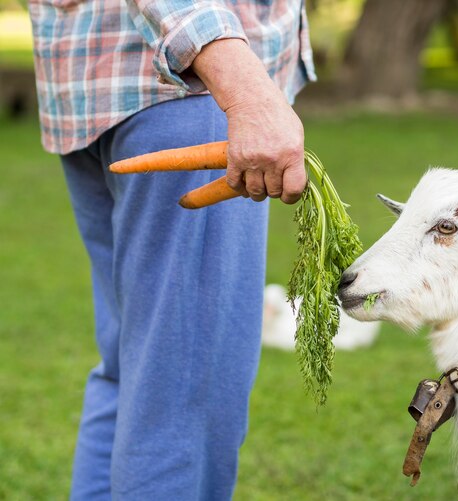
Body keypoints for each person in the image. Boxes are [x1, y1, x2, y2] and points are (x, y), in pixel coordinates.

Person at [28, 0, 316, 499]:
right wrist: (245, 91)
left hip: (95, 86)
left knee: (133, 374)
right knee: (185, 398)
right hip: (190, 88)